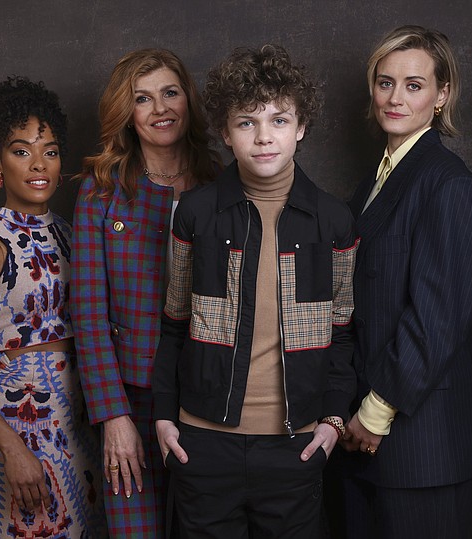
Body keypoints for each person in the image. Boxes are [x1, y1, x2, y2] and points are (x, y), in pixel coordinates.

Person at [152, 44, 358, 539]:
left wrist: (332, 422)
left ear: (301, 127)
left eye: (279, 120)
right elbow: (174, 325)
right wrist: (163, 419)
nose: (264, 137)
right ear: (225, 132)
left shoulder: (334, 221)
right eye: (247, 122)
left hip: (295, 447)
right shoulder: (196, 214)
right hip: (202, 446)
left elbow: (343, 334)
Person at [337, 25, 472, 538]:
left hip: (420, 444)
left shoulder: (449, 185)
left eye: (414, 85)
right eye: (385, 82)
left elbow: (438, 319)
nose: (395, 97)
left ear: (442, 94)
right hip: (365, 441)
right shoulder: (373, 181)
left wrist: (375, 414)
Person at [0, 76, 106, 538]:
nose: (39, 164)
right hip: (16, 423)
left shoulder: (73, 235)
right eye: (21, 150)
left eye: (50, 151)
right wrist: (12, 448)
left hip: (76, 424)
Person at [71, 48, 219, 537]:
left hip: (210, 400)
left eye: (170, 93)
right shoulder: (100, 192)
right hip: (130, 401)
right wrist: (112, 416)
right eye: (143, 98)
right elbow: (88, 316)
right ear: (126, 114)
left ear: (188, 99)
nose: (161, 109)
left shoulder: (222, 183)